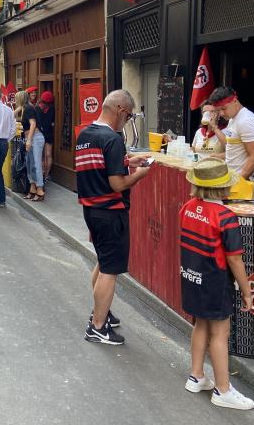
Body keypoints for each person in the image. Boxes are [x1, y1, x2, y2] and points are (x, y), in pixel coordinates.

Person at [76, 90, 150, 345]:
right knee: (110, 269)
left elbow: (99, 167)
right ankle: (97, 325)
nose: (127, 120)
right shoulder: (112, 138)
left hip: (91, 210)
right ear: (120, 110)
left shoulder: (86, 135)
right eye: (128, 116)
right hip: (110, 211)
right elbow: (117, 183)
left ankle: (101, 313)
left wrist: (128, 160)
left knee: (102, 262)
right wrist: (139, 173)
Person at [180, 157, 254, 410]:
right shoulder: (226, 216)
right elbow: (235, 261)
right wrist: (247, 291)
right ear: (223, 187)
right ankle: (223, 390)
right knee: (220, 334)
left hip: (192, 276)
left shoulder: (188, 206)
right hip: (216, 281)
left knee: (200, 323)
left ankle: (196, 375)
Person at [208, 87, 254, 198]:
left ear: (234, 100)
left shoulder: (246, 121)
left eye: (223, 108)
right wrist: (218, 156)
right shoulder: (233, 119)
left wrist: (236, 183)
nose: (221, 113)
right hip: (233, 179)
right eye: (218, 110)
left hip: (245, 181)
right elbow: (235, 149)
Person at [15, 91, 45, 201]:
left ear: (21, 99)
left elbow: (33, 124)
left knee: (36, 164)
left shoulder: (28, 108)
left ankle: (40, 189)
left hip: (35, 138)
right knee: (29, 163)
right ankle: (33, 188)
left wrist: (29, 140)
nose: (15, 101)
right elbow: (14, 114)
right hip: (31, 137)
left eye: (17, 99)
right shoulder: (25, 108)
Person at [36, 91, 55, 182]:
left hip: (43, 133)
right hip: (46, 133)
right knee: (47, 155)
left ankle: (44, 174)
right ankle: (45, 175)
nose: (41, 104)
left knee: (44, 155)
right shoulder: (51, 109)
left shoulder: (38, 108)